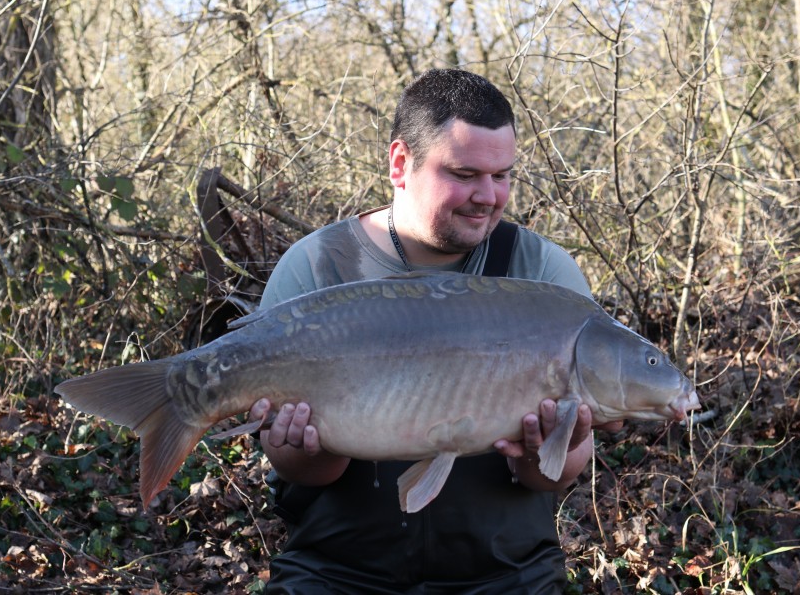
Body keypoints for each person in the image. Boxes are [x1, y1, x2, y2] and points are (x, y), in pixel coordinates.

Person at [246, 68, 618, 594]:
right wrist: (308, 447)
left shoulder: (541, 274)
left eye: (502, 175)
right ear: (401, 163)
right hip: (338, 570)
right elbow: (297, 470)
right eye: (465, 174)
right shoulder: (317, 269)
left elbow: (558, 475)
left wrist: (551, 447)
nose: (488, 196)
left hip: (505, 573)